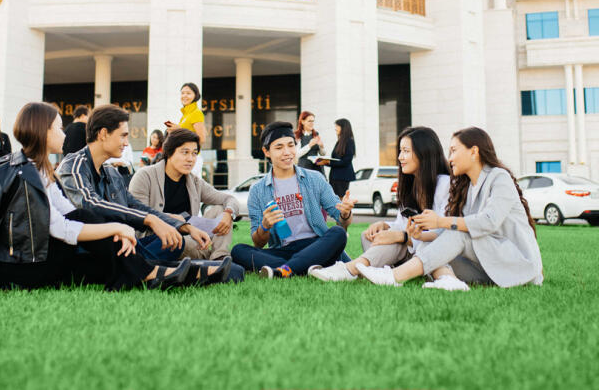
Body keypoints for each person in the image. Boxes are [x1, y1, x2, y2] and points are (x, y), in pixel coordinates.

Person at [0, 102, 194, 292]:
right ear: (43, 131)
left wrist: (119, 229)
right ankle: (148, 272)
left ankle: (154, 272)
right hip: (20, 266)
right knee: (100, 237)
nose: (65, 133)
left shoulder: (42, 170)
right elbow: (58, 228)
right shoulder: (8, 170)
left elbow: (75, 214)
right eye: (59, 128)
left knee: (88, 224)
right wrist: (116, 228)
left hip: (49, 257)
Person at [57, 104, 231, 283]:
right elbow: (90, 204)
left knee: (174, 240)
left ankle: (157, 268)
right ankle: (185, 271)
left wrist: (184, 227)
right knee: (119, 237)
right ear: (103, 134)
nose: (126, 143)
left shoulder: (112, 173)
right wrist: (149, 220)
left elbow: (137, 207)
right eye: (123, 135)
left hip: (122, 244)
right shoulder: (74, 165)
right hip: (89, 249)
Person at [357, 127, 543, 290]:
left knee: (458, 232)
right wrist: (422, 236)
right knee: (431, 243)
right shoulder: (468, 188)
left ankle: (393, 276)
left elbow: (488, 222)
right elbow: (452, 239)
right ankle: (450, 281)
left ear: (474, 151)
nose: (450, 158)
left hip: (516, 265)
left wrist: (440, 222)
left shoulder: (499, 178)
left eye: (454, 151)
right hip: (488, 266)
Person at [311, 126, 450, 282]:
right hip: (411, 250)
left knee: (396, 241)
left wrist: (402, 236)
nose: (400, 157)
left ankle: (351, 269)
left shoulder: (444, 185)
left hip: (433, 252)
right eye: (400, 151)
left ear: (424, 153)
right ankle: (376, 269)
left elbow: (445, 233)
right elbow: (401, 223)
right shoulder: (411, 186)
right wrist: (384, 225)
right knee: (369, 236)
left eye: (405, 151)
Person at [231, 121, 355, 278]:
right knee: (238, 250)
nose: (287, 152)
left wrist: (345, 213)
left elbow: (342, 220)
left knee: (337, 233)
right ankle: (303, 266)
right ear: (266, 151)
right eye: (279, 147)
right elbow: (258, 242)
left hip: (316, 244)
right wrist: (265, 225)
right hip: (283, 250)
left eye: (291, 145)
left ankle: (285, 270)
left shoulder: (314, 178)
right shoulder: (257, 190)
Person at [129, 128, 242, 268]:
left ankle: (220, 258)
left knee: (220, 209)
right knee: (182, 242)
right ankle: (209, 260)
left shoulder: (194, 182)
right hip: (156, 239)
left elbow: (229, 199)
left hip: (191, 237)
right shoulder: (144, 176)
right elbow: (138, 215)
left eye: (194, 153)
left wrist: (229, 212)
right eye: (185, 152)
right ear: (169, 152)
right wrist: (178, 222)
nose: (190, 159)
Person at [165, 82, 206, 176]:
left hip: (191, 159)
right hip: (183, 157)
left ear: (195, 95)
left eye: (188, 93)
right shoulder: (184, 116)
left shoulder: (196, 113)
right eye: (182, 93)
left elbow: (202, 138)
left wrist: (179, 129)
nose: (184, 96)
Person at [294, 111, 326, 176]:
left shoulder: (316, 134)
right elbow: (296, 154)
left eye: (313, 121)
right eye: (309, 121)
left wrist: (322, 147)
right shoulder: (297, 135)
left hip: (317, 168)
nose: (312, 123)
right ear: (302, 122)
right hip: (304, 169)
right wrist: (309, 145)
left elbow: (322, 154)